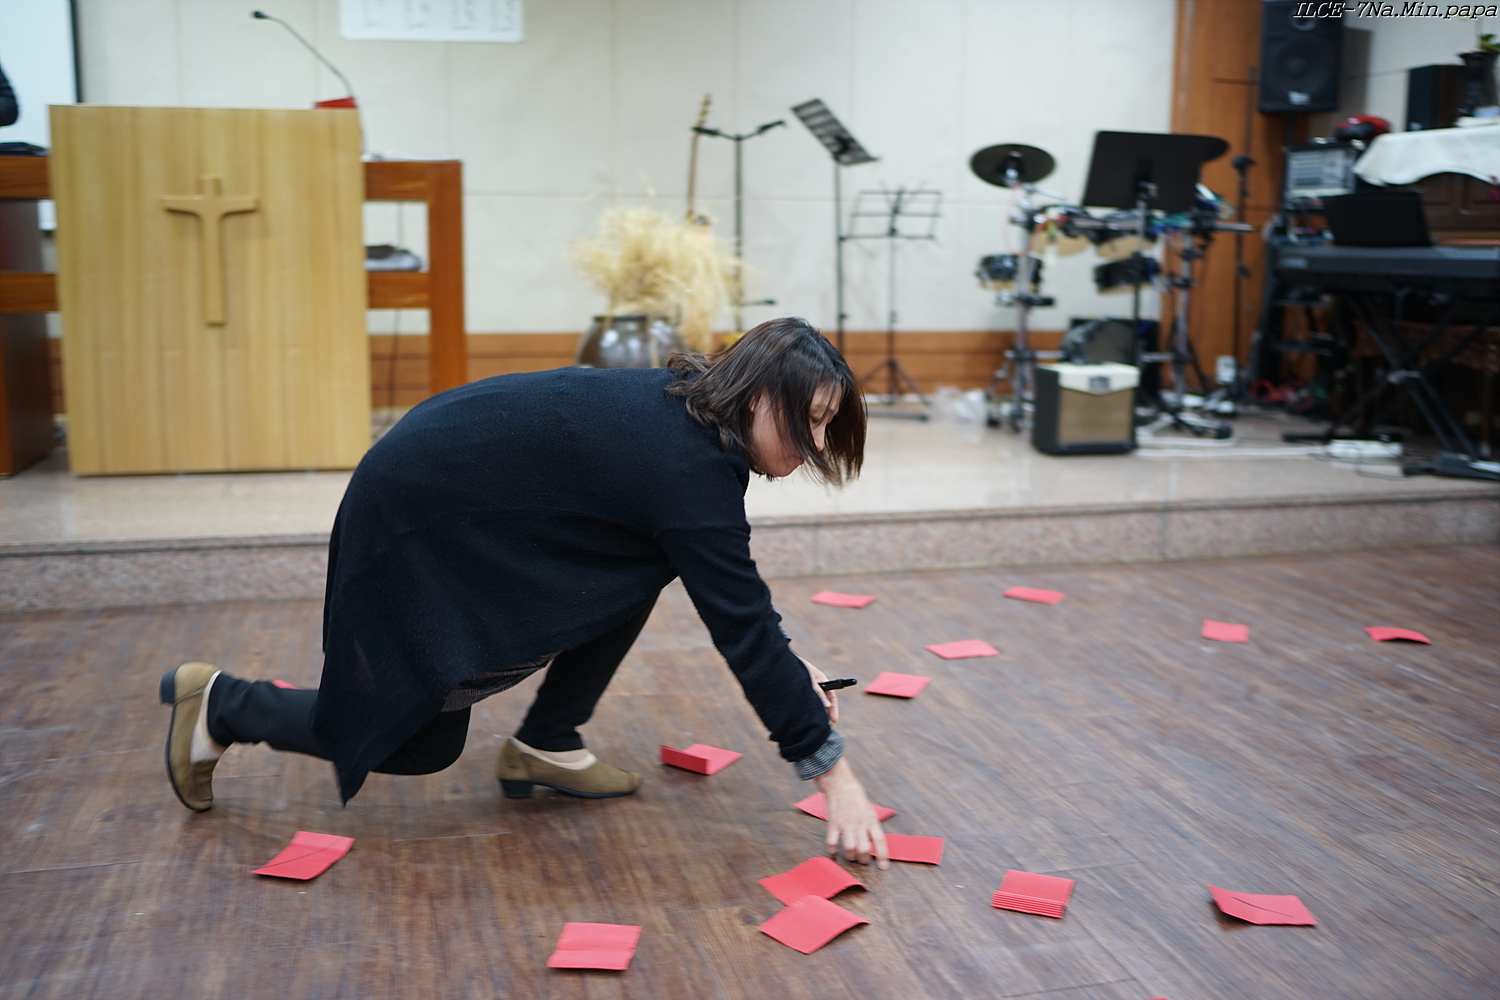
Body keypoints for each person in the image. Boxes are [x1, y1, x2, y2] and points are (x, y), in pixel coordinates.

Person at [160, 317, 890, 867]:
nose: (818, 443)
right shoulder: (690, 471)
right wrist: (835, 778)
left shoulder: (691, 415)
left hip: (444, 487)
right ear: (757, 395)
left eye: (829, 423)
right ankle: (224, 705)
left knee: (641, 558)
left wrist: (791, 667)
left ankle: (547, 740)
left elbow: (738, 605)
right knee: (416, 741)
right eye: (810, 420)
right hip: (418, 516)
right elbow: (742, 627)